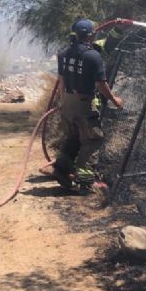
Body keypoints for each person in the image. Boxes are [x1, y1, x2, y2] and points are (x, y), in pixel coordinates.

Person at [53, 18, 124, 200]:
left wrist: (62, 101)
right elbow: (101, 84)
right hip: (83, 102)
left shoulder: (63, 54)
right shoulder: (93, 56)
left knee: (72, 137)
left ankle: (62, 171)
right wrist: (114, 99)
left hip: (67, 101)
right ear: (92, 35)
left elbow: (61, 80)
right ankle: (85, 182)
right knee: (93, 139)